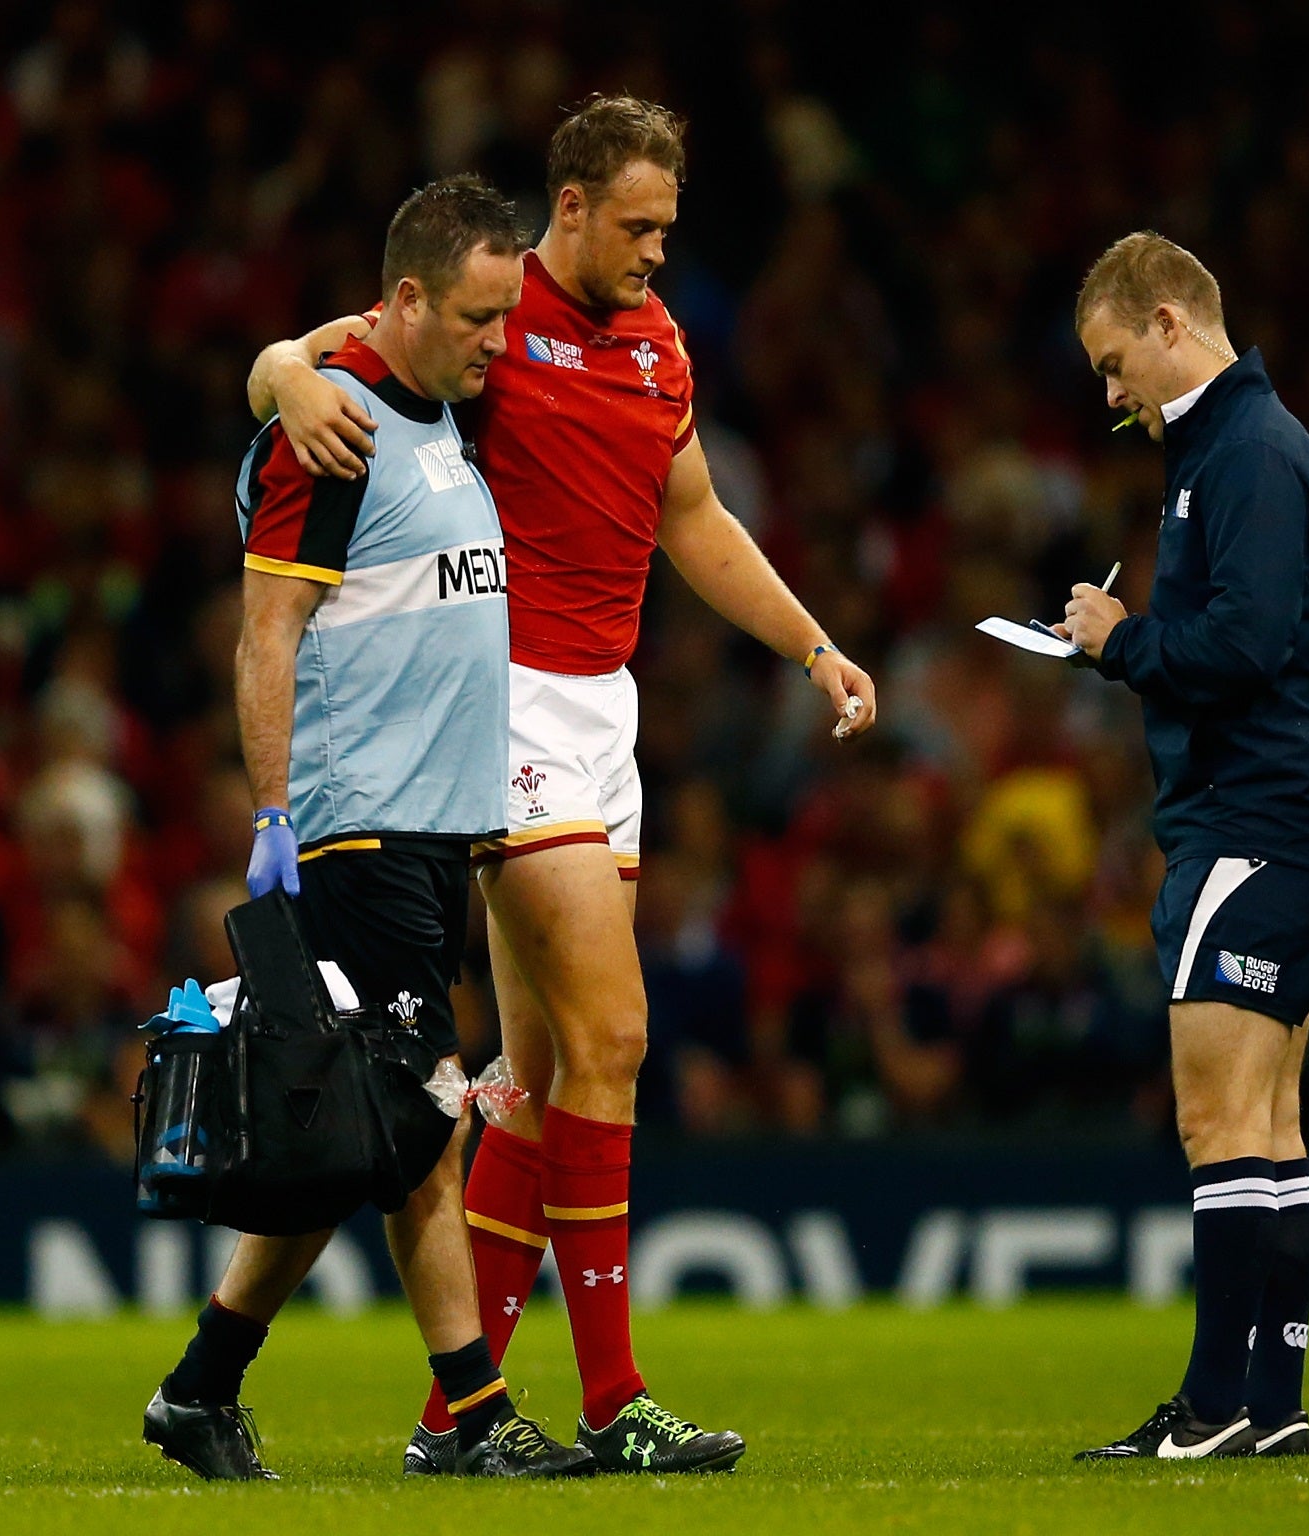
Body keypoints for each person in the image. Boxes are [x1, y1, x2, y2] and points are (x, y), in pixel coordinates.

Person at [248, 95, 877, 1475]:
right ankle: (613, 1399)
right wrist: (282, 367)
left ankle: (452, 1418)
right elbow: (334, 349)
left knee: (535, 1080)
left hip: (608, 712)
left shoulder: (657, 345)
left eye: (670, 223)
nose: (659, 249)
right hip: (508, 701)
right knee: (616, 1040)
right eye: (636, 225)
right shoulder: (493, 310)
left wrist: (813, 643)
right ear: (571, 209)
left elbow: (693, 520)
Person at [143, 176, 590, 1482]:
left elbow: (314, 347)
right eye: (474, 318)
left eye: (506, 319)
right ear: (403, 301)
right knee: (420, 1130)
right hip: (361, 826)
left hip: (434, 831)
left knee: (370, 1130)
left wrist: (281, 358)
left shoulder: (422, 410)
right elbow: (265, 629)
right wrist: (276, 808)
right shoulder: (327, 436)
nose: (495, 345)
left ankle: (200, 1388)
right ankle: (476, 1415)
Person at [1059, 232, 1309, 1460]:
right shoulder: (1234, 450)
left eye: (1114, 360)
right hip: (1281, 828)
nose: (1110, 391)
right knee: (1269, 1129)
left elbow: (1241, 645)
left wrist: (1116, 639)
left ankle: (1216, 1402)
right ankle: (1267, 1408)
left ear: (1169, 322)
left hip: (1251, 826)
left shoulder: (1244, 452)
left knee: (1217, 1123)